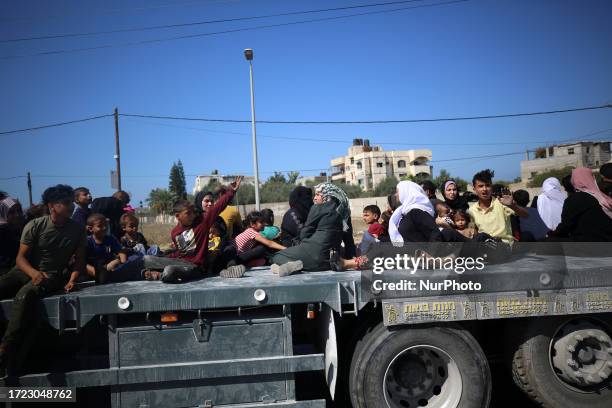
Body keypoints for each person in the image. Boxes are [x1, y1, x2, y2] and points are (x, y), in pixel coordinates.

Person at [0, 185, 86, 376]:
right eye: (65, 202)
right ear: (52, 206)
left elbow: (79, 262)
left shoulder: (78, 230)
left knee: (25, 294)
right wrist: (33, 273)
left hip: (51, 275)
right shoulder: (35, 225)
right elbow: (20, 259)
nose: (70, 206)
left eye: (71, 201)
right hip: (24, 270)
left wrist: (72, 279)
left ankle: (6, 347)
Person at [141, 176, 243, 283]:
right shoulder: (175, 233)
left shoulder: (202, 222)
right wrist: (164, 256)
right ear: (178, 216)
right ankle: (149, 272)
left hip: (196, 266)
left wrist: (231, 191)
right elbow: (181, 252)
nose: (192, 215)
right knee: (147, 259)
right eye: (188, 214)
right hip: (181, 262)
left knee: (169, 270)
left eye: (193, 212)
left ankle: (159, 274)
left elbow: (218, 207)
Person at [271, 183, 350, 276]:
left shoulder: (317, 208)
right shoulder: (345, 213)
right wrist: (350, 257)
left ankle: (296, 264)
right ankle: (286, 266)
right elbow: (349, 240)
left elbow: (304, 234)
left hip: (312, 253)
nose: (314, 199)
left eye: (317, 195)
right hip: (331, 261)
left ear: (328, 196)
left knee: (277, 256)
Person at [550, 167, 612, 241]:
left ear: (574, 180)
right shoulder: (602, 196)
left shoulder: (576, 198)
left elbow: (566, 225)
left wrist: (552, 234)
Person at [468, 169, 527, 243]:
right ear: (474, 189)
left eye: (488, 185)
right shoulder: (472, 210)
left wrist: (513, 205)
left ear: (491, 188)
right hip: (485, 246)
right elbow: (473, 231)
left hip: (504, 246)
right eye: (481, 186)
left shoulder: (502, 203)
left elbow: (525, 215)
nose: (485, 189)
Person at [85, 214, 142, 283]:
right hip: (95, 270)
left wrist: (123, 264)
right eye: (100, 226)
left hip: (111, 268)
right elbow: (83, 262)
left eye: (105, 225)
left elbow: (121, 252)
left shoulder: (110, 238)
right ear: (90, 229)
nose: (104, 228)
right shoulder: (87, 241)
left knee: (135, 258)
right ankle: (102, 275)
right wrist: (97, 273)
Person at [0, 197, 25, 274]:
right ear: (3, 213)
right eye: (11, 212)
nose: (17, 215)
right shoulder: (2, 231)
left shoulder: (21, 228)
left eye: (19, 211)